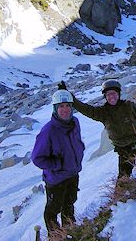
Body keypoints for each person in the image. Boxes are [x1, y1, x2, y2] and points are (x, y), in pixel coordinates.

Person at [58, 80, 136, 178]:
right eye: (108, 94)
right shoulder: (102, 113)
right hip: (124, 150)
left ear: (118, 94)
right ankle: (118, 202)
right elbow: (85, 108)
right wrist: (70, 97)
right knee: (123, 180)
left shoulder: (130, 106)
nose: (111, 96)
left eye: (113, 93)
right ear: (105, 97)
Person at [31, 90, 85, 237]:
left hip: (73, 173)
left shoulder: (75, 123)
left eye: (68, 105)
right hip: (56, 180)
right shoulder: (48, 130)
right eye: (61, 106)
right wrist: (58, 165)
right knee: (52, 211)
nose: (65, 109)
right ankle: (56, 237)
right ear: (55, 108)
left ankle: (70, 232)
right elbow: (37, 158)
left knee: (69, 204)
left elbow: (76, 142)